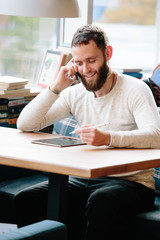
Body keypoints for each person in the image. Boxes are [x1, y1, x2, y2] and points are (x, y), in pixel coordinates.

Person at [17, 24, 160, 240]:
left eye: (91, 61)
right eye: (79, 63)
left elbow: (156, 135)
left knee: (101, 201)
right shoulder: (74, 93)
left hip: (132, 183)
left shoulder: (135, 89)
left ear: (107, 54)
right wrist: (55, 88)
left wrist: (108, 138)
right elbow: (25, 124)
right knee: (26, 199)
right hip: (82, 178)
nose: (85, 69)